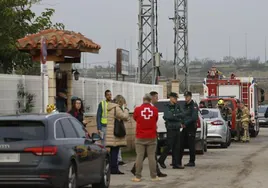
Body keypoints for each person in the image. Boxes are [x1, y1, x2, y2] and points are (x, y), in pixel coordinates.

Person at [131, 91, 167, 177]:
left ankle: (138, 175)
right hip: (151, 136)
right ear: (150, 100)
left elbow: (135, 118)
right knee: (151, 157)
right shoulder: (155, 110)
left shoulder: (137, 109)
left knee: (139, 156)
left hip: (140, 136)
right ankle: (154, 175)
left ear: (143, 100)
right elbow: (155, 119)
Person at [158, 92, 184, 169]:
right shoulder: (167, 106)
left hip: (177, 127)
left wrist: (174, 115)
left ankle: (175, 164)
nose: (176, 100)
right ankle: (161, 160)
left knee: (177, 146)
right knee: (169, 145)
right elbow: (167, 116)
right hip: (170, 128)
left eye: (177, 98)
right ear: (171, 98)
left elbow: (182, 114)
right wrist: (176, 116)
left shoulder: (178, 106)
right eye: (175, 98)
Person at [105, 95, 129, 174]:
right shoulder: (116, 108)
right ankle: (114, 169)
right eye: (123, 103)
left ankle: (112, 169)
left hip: (110, 132)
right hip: (115, 133)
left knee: (113, 152)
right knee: (115, 151)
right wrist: (126, 109)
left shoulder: (110, 107)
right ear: (120, 101)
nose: (123, 104)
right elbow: (124, 116)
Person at [179, 91, 198, 167]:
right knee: (181, 144)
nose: (186, 98)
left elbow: (194, 117)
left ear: (190, 96)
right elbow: (182, 114)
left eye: (187, 96)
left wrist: (185, 123)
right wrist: (181, 122)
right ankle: (178, 161)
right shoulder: (184, 105)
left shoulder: (194, 105)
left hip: (191, 127)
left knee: (191, 145)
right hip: (184, 127)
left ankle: (192, 161)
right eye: (185, 96)